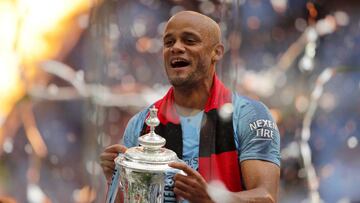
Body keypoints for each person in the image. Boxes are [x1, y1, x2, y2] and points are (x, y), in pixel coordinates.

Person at [100, 10, 280, 203]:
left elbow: (266, 197)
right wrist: (115, 177)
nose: (176, 48)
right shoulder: (142, 123)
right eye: (168, 42)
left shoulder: (249, 116)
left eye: (189, 41)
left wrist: (212, 198)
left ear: (216, 52)